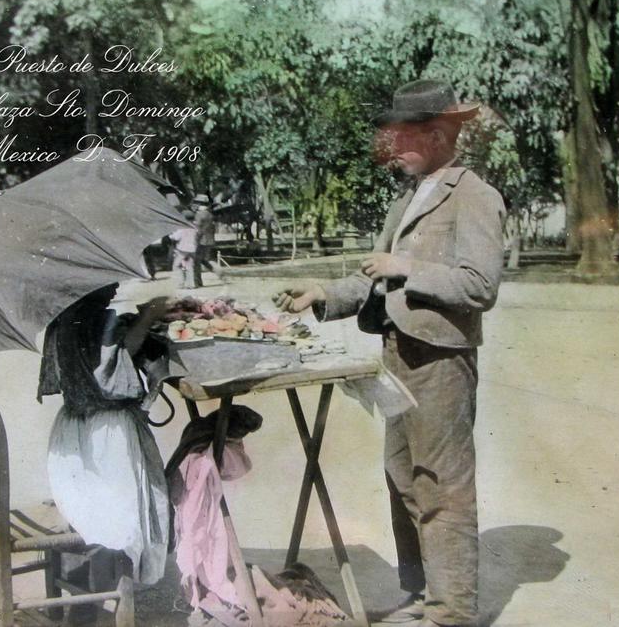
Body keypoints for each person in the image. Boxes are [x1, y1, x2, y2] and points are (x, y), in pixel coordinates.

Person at [274, 80, 506, 627]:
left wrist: (408, 269)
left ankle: (452, 614)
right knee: (400, 475)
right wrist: (325, 294)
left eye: (399, 136)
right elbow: (376, 273)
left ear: (435, 134)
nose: (389, 147)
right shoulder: (411, 195)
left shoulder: (474, 196)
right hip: (398, 355)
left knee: (441, 485)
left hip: (441, 361)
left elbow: (480, 285)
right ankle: (421, 595)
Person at [38, 284, 171, 591]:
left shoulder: (63, 317)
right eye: (109, 284)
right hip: (107, 437)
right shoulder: (91, 319)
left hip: (73, 433)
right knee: (119, 521)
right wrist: (149, 315)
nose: (115, 289)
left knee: (91, 514)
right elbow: (115, 362)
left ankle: (84, 585)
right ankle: (107, 589)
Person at [170, 210, 199, 289]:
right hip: (193, 248)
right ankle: (191, 284)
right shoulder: (195, 227)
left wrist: (171, 234)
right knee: (190, 266)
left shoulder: (182, 227)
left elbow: (175, 237)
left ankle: (181, 283)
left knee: (176, 265)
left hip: (182, 249)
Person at [192, 194, 217, 286]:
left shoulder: (199, 215)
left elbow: (198, 229)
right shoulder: (210, 215)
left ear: (199, 204)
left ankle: (197, 282)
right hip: (209, 240)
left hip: (201, 240)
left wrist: (194, 240)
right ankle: (217, 271)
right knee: (203, 260)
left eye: (196, 202)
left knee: (196, 262)